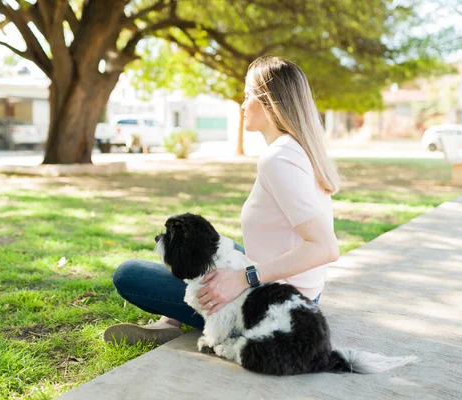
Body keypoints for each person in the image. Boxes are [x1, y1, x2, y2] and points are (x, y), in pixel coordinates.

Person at [103, 56, 341, 345]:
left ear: (269, 102)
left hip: (272, 307)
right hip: (297, 292)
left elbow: (325, 247)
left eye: (248, 95)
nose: (242, 105)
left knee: (130, 275)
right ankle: (171, 321)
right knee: (203, 248)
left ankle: (180, 319)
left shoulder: (278, 159)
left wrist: (243, 279)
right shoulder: (296, 150)